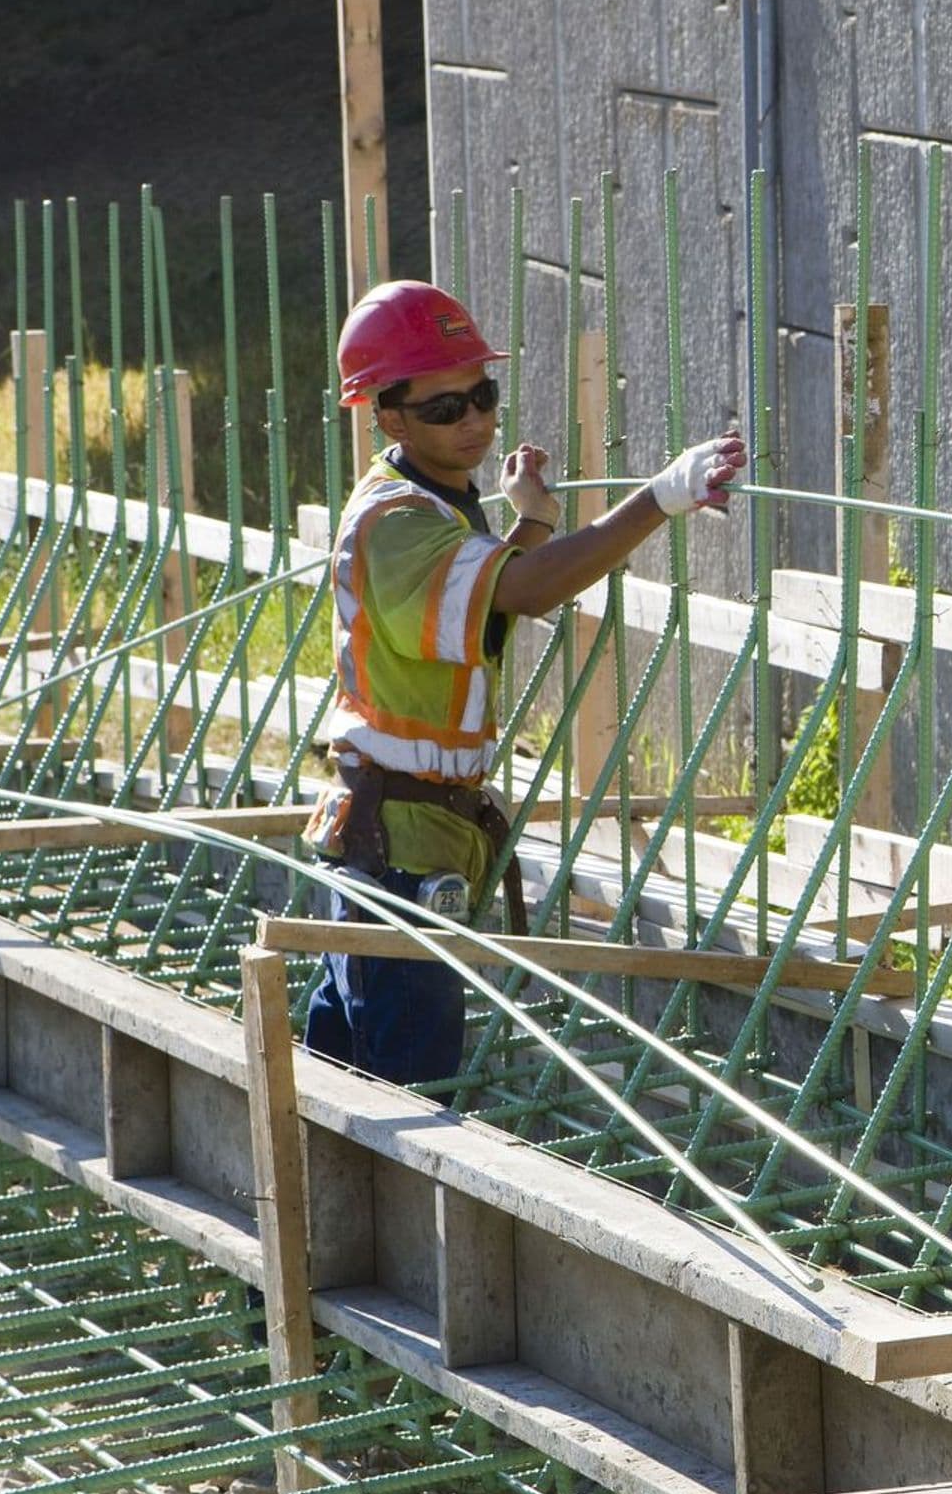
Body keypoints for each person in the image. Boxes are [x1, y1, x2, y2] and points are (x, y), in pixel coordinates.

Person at [303, 279, 745, 1086]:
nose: (472, 421)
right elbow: (525, 591)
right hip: (395, 848)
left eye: (483, 395)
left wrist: (531, 520)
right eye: (443, 408)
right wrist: (660, 497)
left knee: (355, 1074)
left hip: (416, 835)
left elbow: (485, 606)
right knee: (401, 1095)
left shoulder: (442, 503)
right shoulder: (396, 521)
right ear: (387, 415)